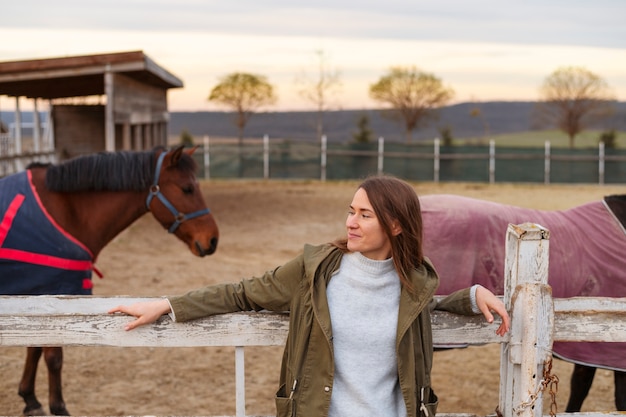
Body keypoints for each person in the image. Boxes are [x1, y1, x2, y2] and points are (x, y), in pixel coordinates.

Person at [109, 175, 510, 417]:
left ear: (397, 225)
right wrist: (167, 304)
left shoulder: (415, 282)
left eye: (364, 215)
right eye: (351, 210)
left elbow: (426, 311)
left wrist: (472, 296)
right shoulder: (316, 269)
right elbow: (241, 293)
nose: (350, 222)